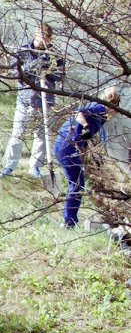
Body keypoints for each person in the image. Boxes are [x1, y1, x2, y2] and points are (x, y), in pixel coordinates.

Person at [1, 23, 64, 177]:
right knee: (18, 133)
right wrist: (35, 65)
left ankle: (35, 166)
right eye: (44, 36)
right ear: (37, 34)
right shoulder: (24, 51)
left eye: (49, 37)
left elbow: (60, 75)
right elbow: (17, 73)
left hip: (45, 99)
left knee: (41, 134)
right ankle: (9, 166)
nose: (46, 40)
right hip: (25, 99)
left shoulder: (55, 53)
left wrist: (48, 69)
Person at [54, 87, 119, 228]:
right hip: (66, 145)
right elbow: (78, 113)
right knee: (76, 184)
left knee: (77, 184)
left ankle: (70, 220)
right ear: (113, 106)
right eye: (115, 111)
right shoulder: (99, 108)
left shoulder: (101, 115)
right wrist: (85, 125)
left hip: (69, 146)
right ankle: (68, 221)